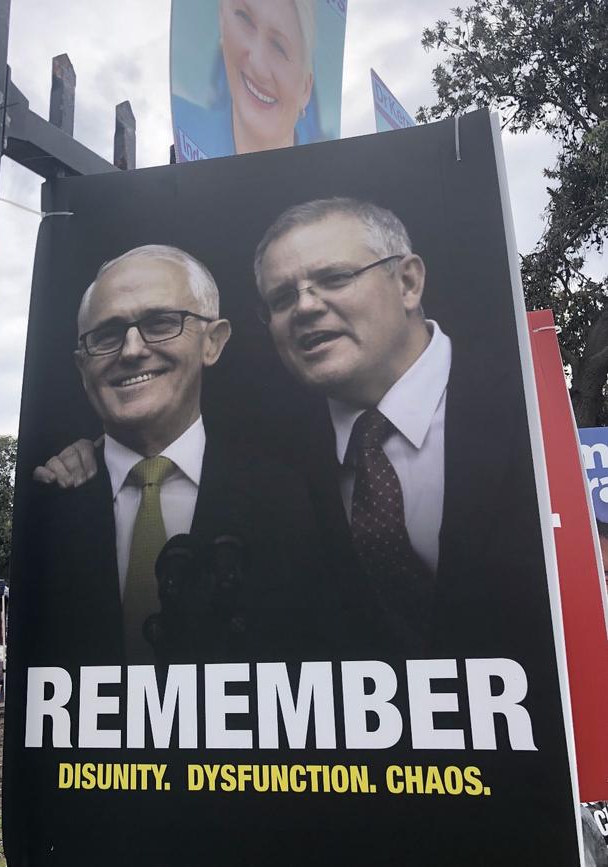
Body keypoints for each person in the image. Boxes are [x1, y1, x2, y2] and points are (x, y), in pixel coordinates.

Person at [252, 196, 547, 656]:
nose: (304, 307)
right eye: (281, 298)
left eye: (334, 278)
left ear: (408, 282)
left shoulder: (533, 402)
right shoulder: (268, 454)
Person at [26, 243, 332, 666]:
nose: (131, 349)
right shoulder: (46, 502)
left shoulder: (287, 496)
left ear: (213, 342)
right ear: (82, 366)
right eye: (107, 334)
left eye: (161, 322)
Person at [173, 0, 316, 158]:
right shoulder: (183, 129)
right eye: (245, 19)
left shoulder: (328, 175)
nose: (257, 64)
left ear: (305, 89)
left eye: (278, 47)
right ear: (222, 17)